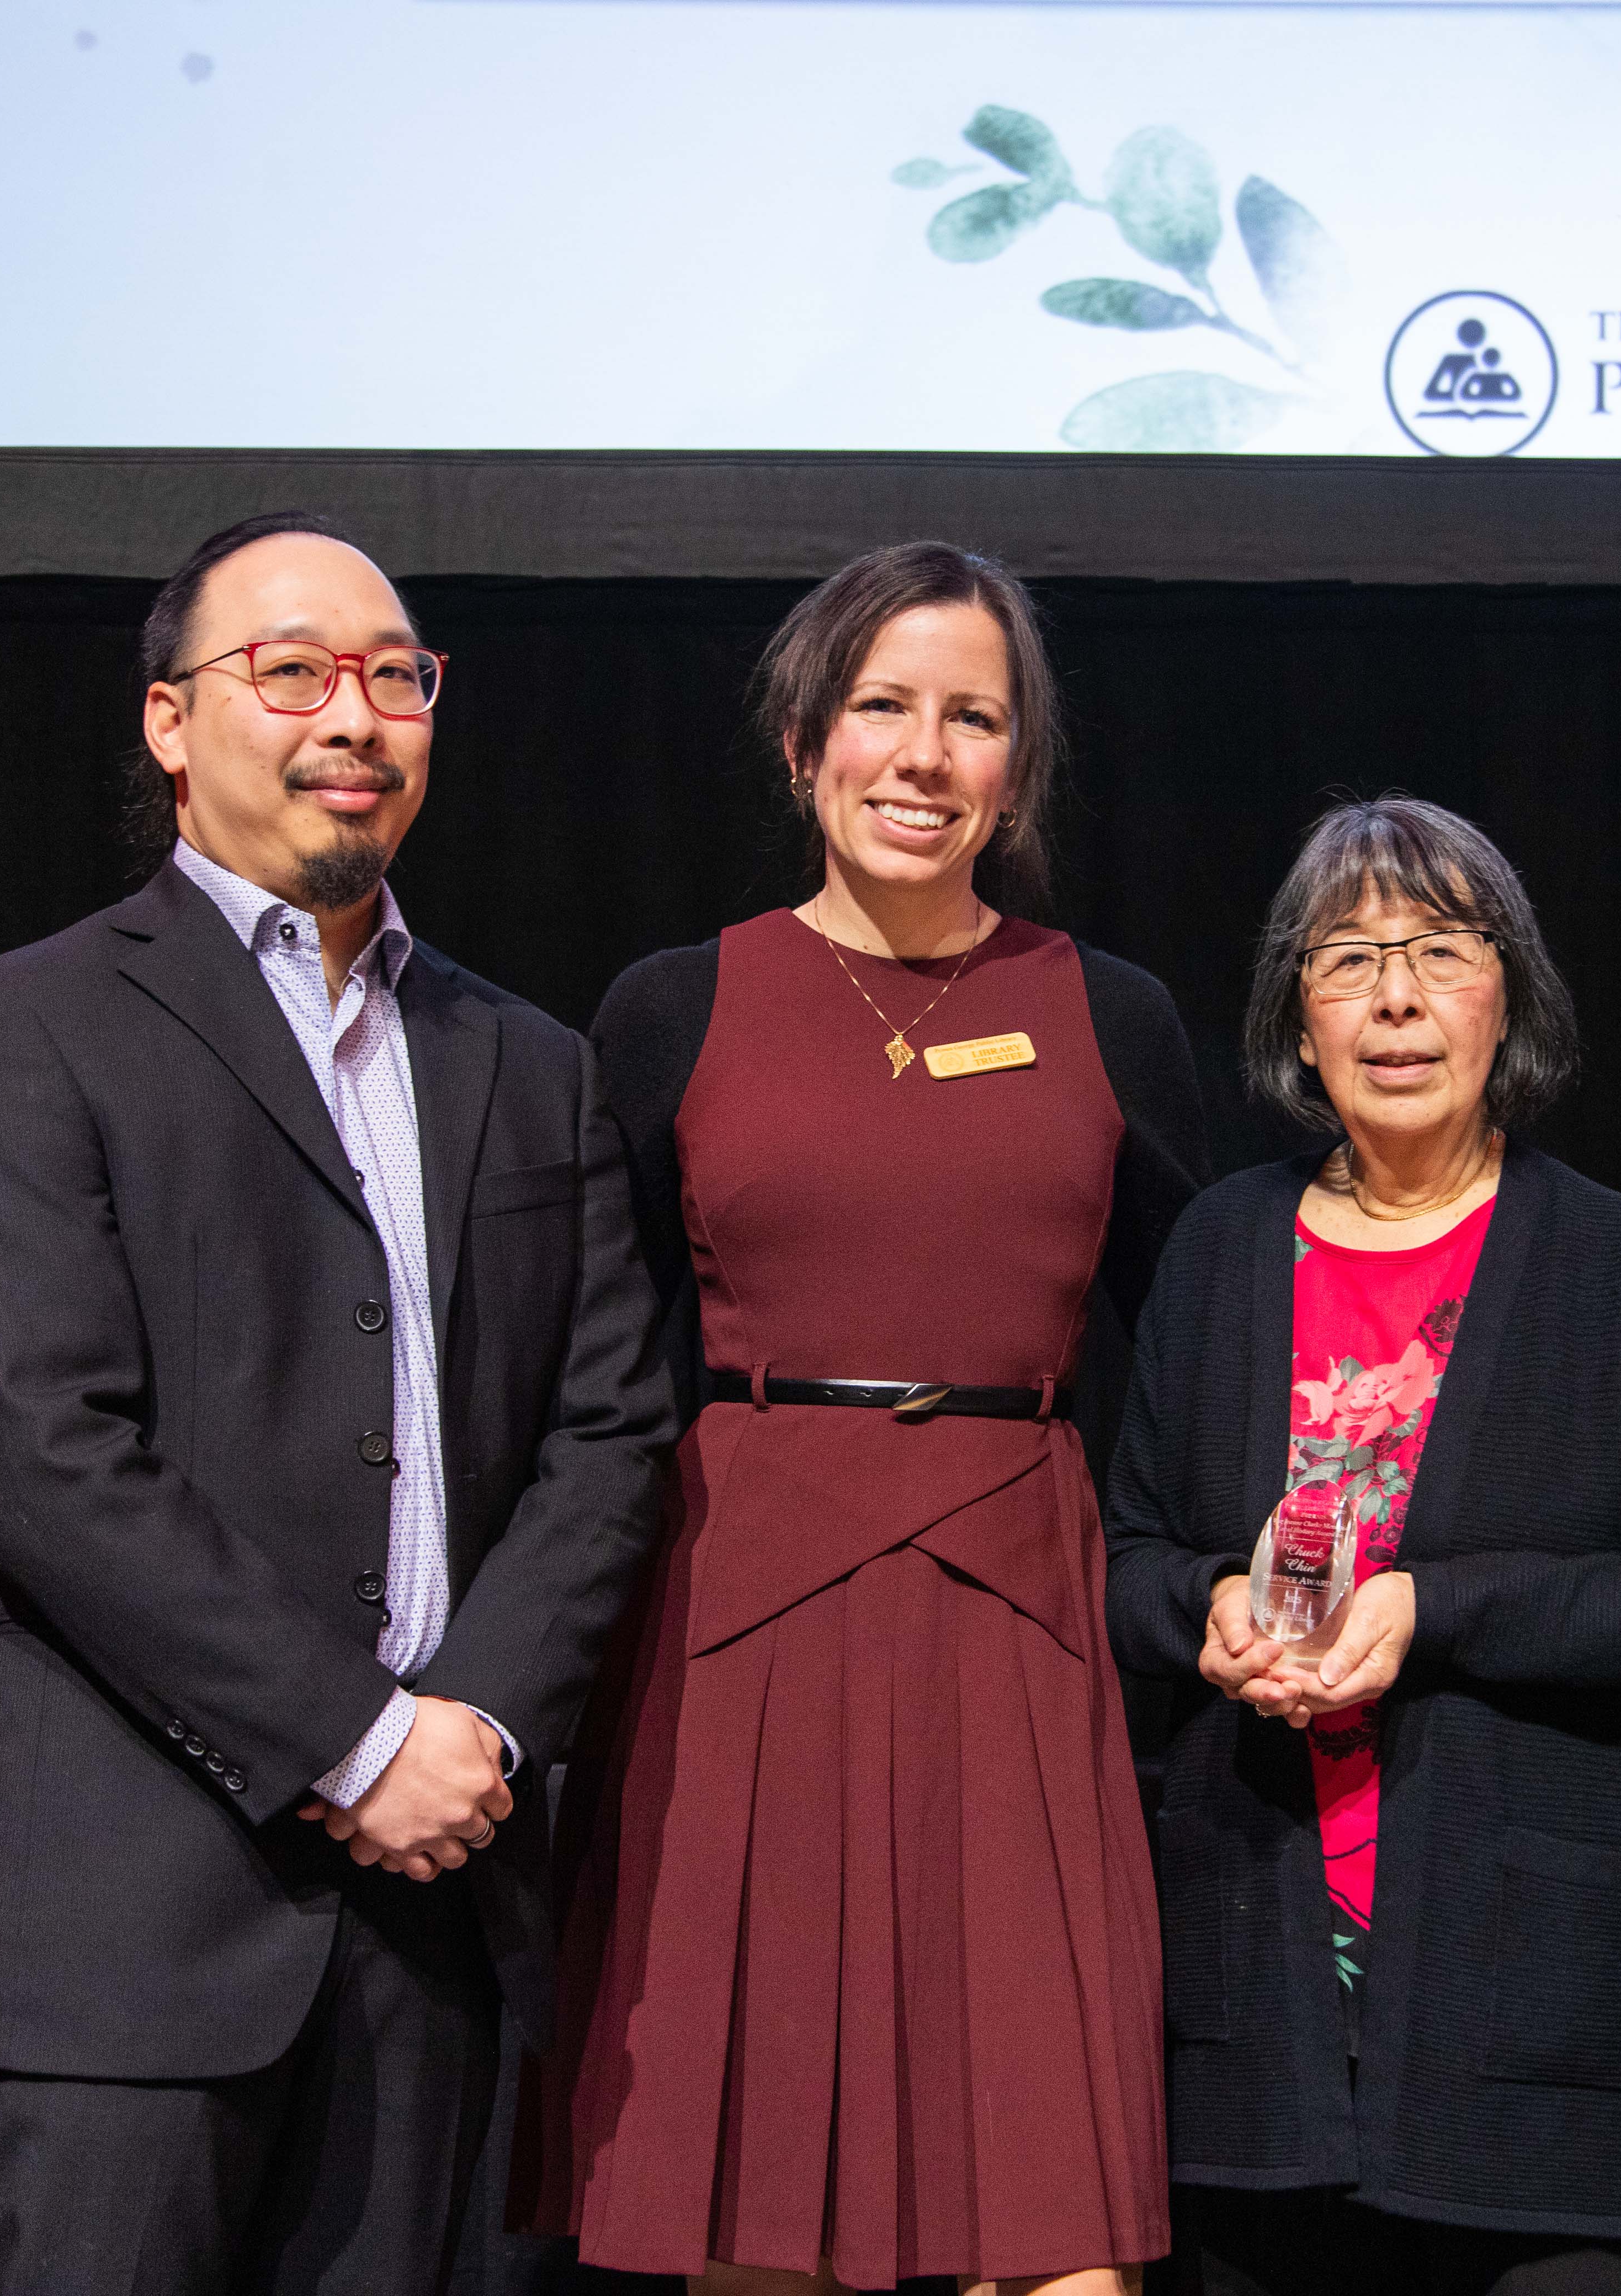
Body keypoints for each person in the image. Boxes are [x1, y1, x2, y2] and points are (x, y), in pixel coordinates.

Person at [0, 512, 678, 2291]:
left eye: (398, 678)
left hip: (441, 1919)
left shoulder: (528, 1063)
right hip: (130, 1931)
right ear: (171, 721)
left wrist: (468, 1730)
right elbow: (40, 1451)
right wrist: (358, 1738)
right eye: (295, 671)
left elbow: (611, 1429)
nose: (357, 717)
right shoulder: (18, 1028)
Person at [519, 541, 1208, 2295]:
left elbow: (1197, 1364)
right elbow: (587, 1370)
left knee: (1048, 2218)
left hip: (1019, 1626)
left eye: (972, 717)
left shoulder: (1112, 1017)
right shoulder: (676, 1006)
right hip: (736, 1627)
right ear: (804, 741)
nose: (924, 753)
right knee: (762, 2205)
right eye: (883, 707)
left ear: (1018, 766)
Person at [1106, 796, 1621, 2295]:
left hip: (1535, 2026)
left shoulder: (1616, 1266)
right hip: (1256, 2028)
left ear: (1509, 992)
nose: (1396, 997)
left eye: (1439, 951)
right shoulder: (1220, 1250)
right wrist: (1206, 1603)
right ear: (1300, 1011)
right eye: (1349, 958)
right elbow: (1120, 1557)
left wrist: (1437, 1608)